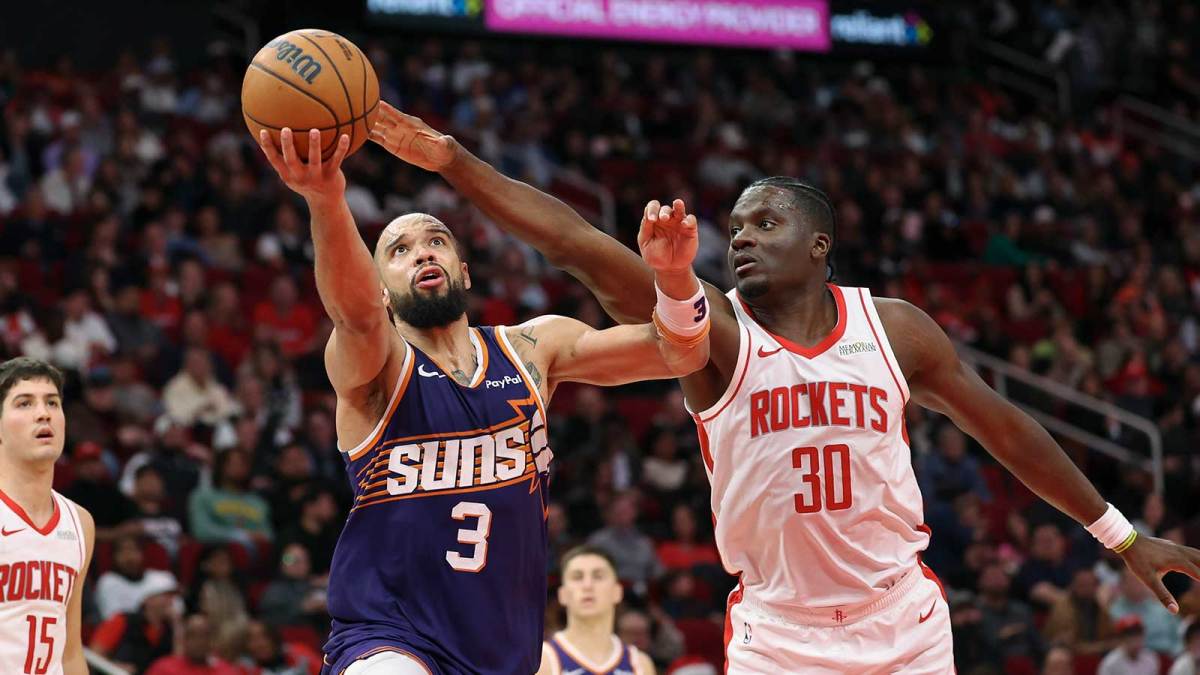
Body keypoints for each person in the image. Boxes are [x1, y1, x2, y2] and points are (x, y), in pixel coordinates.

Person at [370, 103, 1200, 673]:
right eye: (733, 228)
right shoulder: (715, 338)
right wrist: (452, 160)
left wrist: (1125, 540)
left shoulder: (896, 329)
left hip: (904, 620)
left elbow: (1006, 429)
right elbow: (580, 248)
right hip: (781, 635)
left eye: (765, 223)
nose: (741, 238)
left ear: (819, 244)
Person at [256, 126, 710, 675]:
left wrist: (676, 278)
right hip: (387, 637)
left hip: (503, 649)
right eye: (398, 251)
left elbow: (678, 353)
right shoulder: (375, 368)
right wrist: (326, 198)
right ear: (380, 288)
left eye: (436, 241)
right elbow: (354, 316)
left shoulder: (533, 348)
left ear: (464, 271)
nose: (422, 252)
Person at [0, 356, 95, 675]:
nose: (43, 413)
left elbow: (70, 653)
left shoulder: (80, 523)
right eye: (24, 404)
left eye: (52, 403)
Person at [538, 546, 656, 675]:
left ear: (617, 591)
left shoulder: (640, 664)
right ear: (562, 594)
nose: (587, 585)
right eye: (577, 577)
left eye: (598, 576)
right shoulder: (542, 661)